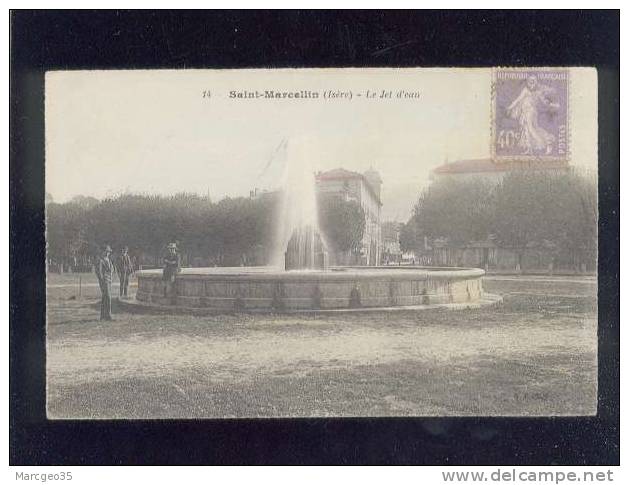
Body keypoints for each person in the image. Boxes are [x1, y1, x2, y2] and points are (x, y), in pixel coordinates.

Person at [94, 245, 114, 321]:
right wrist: (102, 281)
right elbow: (98, 272)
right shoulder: (100, 260)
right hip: (104, 281)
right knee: (108, 297)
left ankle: (102, 316)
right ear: (103, 252)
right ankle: (108, 315)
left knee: (105, 298)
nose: (107, 253)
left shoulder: (108, 259)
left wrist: (111, 275)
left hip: (109, 280)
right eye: (106, 251)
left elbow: (112, 269)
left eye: (108, 252)